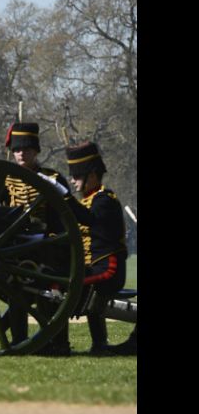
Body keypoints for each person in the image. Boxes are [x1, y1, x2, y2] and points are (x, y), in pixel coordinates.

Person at [3, 122, 72, 356]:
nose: (21, 153)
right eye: (17, 149)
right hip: (17, 248)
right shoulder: (7, 179)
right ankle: (19, 341)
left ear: (36, 151)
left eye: (26, 149)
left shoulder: (52, 178)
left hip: (48, 247)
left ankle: (58, 343)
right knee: (16, 296)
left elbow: (66, 215)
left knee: (51, 298)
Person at [61, 141, 133, 355]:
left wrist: (64, 197)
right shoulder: (86, 200)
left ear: (91, 175)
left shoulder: (105, 199)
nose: (73, 180)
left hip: (107, 269)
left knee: (66, 287)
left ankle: (88, 344)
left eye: (77, 176)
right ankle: (98, 345)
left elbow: (88, 219)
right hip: (92, 267)